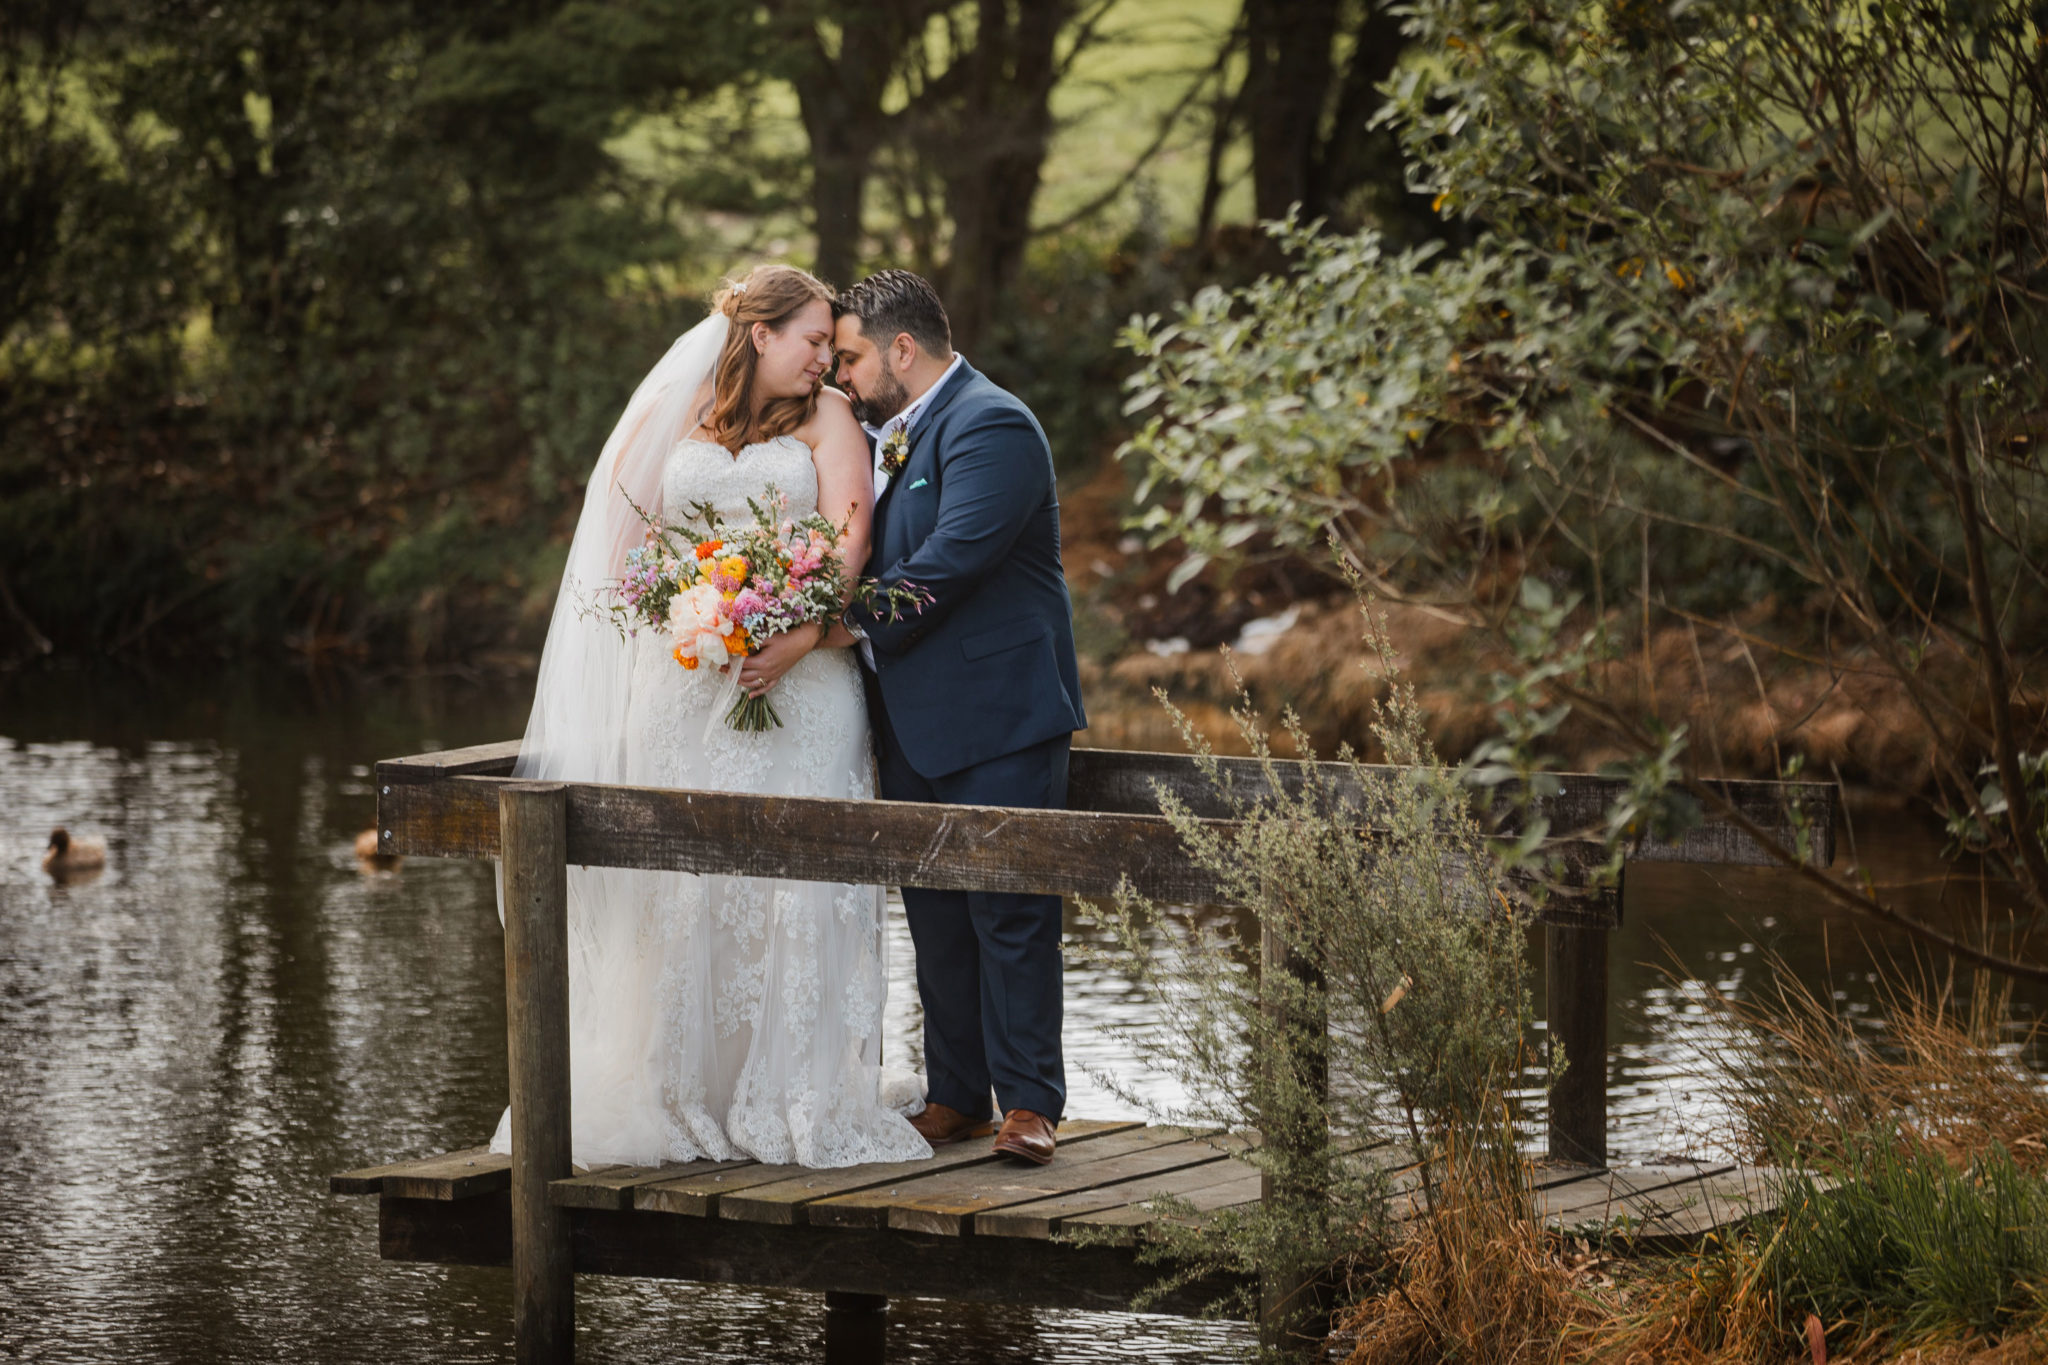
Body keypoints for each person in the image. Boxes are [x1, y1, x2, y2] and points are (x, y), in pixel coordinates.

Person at [495, 263, 930, 1169]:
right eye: (813, 341)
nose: (826, 361)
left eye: (833, 346)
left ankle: (796, 1089)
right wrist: (684, 616)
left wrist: (796, 631)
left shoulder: (830, 419)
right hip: (686, 685)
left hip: (800, 686)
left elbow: (850, 535)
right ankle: (686, 1087)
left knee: (795, 886)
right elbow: (622, 542)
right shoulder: (679, 411)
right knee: (683, 889)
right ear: (759, 334)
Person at [832, 270, 1088, 1166]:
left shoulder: (994, 424)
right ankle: (957, 1096)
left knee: (1011, 909)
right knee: (934, 911)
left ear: (903, 349)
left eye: (854, 356)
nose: (843, 376)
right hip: (907, 715)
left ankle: (1029, 1105)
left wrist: (835, 624)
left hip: (1001, 711)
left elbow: (950, 562)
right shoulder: (884, 433)